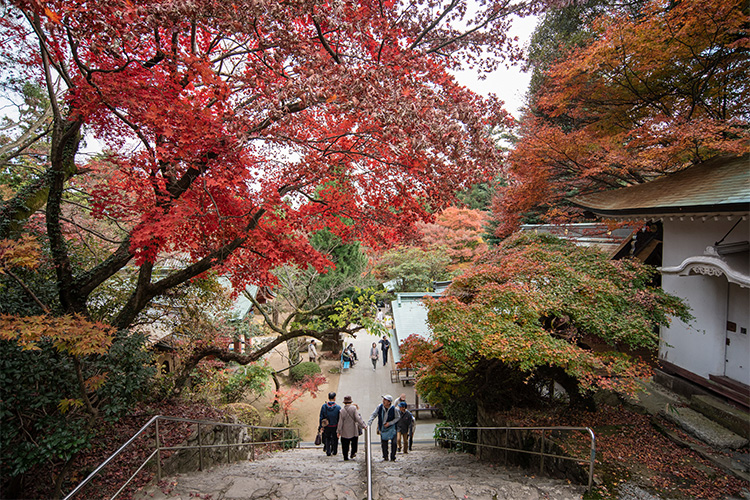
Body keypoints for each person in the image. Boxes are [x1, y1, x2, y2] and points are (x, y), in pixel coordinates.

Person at [368, 394, 400, 461]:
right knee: (384, 443)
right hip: (383, 428)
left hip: (392, 428)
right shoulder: (379, 407)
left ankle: (393, 456)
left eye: (385, 400)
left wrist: (390, 423)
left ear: (389, 402)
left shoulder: (394, 409)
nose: (384, 401)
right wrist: (369, 423)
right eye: (383, 399)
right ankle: (385, 456)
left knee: (394, 443)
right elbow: (374, 414)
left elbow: (398, 417)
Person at [337, 395, 366, 461]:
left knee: (345, 444)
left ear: (344, 402)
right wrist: (363, 425)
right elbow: (357, 418)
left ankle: (345, 456)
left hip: (345, 430)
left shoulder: (342, 411)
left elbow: (340, 422)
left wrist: (339, 431)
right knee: (354, 442)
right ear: (350, 401)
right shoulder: (353, 409)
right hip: (353, 429)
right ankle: (353, 453)